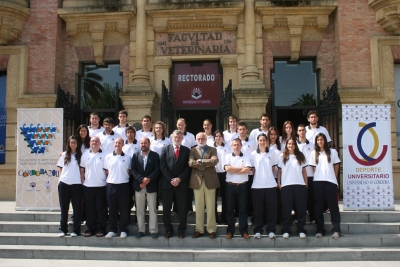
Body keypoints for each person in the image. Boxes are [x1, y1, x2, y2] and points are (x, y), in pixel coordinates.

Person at [309, 133, 341, 239]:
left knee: (333, 207)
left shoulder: (332, 152)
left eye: (321, 139)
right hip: (318, 182)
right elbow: (314, 168)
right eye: (318, 140)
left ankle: (336, 229)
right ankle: (320, 229)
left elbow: (336, 165)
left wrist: (333, 177)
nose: (320, 142)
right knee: (318, 207)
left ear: (325, 140)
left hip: (330, 182)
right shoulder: (314, 153)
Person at [160, 130, 191, 239]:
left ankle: (181, 230)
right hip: (167, 184)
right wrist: (171, 179)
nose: (177, 139)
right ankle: (168, 229)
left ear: (182, 138)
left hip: (181, 184)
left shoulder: (187, 151)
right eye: (175, 137)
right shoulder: (165, 149)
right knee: (166, 208)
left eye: (179, 137)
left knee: (182, 208)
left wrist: (179, 179)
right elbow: (162, 166)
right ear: (172, 138)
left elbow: (188, 168)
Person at [189, 132, 219, 239]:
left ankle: (211, 229)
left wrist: (201, 161)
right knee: (199, 206)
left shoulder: (212, 149)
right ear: (196, 140)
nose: (200, 140)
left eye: (202, 138)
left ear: (206, 139)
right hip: (197, 181)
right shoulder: (193, 150)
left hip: (210, 180)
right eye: (199, 139)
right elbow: (191, 163)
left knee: (211, 206)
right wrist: (206, 164)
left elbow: (215, 161)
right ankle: (199, 230)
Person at [277, 138, 308, 239]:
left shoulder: (300, 156)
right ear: (286, 145)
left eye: (293, 144)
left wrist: (306, 183)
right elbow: (279, 171)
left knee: (301, 209)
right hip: (286, 186)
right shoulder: (282, 157)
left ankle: (301, 230)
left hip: (300, 185)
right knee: (286, 209)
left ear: (295, 145)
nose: (291, 145)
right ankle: (286, 230)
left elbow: (304, 171)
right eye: (289, 144)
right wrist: (279, 182)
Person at [131, 137, 160, 239]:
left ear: (149, 144)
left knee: (152, 209)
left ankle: (153, 230)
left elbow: (157, 170)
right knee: (139, 210)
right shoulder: (135, 156)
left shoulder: (155, 156)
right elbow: (133, 170)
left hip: (151, 186)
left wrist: (148, 180)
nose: (143, 145)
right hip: (139, 186)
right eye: (142, 143)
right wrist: (141, 180)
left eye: (145, 143)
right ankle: (141, 230)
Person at [251, 133, 278, 239]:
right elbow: (253, 169)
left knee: (271, 209)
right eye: (260, 140)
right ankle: (258, 230)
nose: (262, 142)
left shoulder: (272, 153)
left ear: (267, 141)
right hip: (257, 186)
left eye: (264, 140)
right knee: (258, 210)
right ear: (257, 141)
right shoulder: (253, 154)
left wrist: (267, 177)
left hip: (270, 185)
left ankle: (271, 230)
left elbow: (273, 168)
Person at [80, 136, 107, 237]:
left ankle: (101, 229)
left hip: (102, 186)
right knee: (90, 209)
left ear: (100, 143)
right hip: (88, 186)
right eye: (92, 141)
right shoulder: (85, 155)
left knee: (101, 209)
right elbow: (82, 169)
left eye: (96, 141)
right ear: (89, 143)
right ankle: (90, 228)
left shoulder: (105, 155)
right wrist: (83, 181)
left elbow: (107, 170)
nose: (94, 143)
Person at [104, 138, 131, 239]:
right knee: (112, 208)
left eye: (120, 143)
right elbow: (107, 171)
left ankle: (123, 229)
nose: (118, 144)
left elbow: (130, 171)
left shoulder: (128, 158)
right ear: (113, 144)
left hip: (124, 185)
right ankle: (112, 229)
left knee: (124, 208)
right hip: (111, 185)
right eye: (116, 143)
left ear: (123, 144)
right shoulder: (108, 157)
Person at [224, 138, 252, 239]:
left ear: (241, 146)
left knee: (243, 210)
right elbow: (227, 169)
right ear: (231, 146)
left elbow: (247, 170)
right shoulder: (227, 156)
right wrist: (241, 168)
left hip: (243, 186)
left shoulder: (247, 156)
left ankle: (243, 231)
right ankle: (230, 231)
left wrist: (233, 169)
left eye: (237, 145)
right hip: (230, 186)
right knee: (230, 210)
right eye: (234, 145)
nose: (236, 147)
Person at [57, 135, 83, 237]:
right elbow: (61, 169)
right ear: (68, 143)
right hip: (64, 184)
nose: (73, 144)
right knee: (64, 208)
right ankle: (63, 229)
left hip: (76, 184)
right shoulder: (63, 155)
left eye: (75, 143)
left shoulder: (81, 155)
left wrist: (82, 182)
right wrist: (62, 179)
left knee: (77, 209)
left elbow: (82, 170)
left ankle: (76, 230)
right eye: (71, 142)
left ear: (77, 144)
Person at [169, 118, 196, 215]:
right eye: (178, 124)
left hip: (187, 165)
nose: (180, 126)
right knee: (175, 189)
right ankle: (175, 208)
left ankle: (188, 208)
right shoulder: (172, 135)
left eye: (182, 124)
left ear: (185, 125)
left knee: (188, 189)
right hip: (176, 165)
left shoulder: (191, 136)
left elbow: (194, 150)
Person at [237, 121, 257, 226]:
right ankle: (238, 217)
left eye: (243, 129)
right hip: (237, 175)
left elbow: (255, 158)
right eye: (240, 129)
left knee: (248, 197)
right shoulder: (234, 142)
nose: (242, 131)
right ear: (237, 130)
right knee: (238, 197)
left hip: (249, 174)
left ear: (247, 130)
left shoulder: (253, 142)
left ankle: (249, 217)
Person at [297, 124, 316, 225]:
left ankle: (312, 217)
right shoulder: (295, 145)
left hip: (310, 174)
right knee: (299, 198)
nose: (302, 132)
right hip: (298, 175)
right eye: (300, 130)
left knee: (311, 197)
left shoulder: (312, 144)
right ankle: (298, 218)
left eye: (303, 130)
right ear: (297, 132)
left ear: (305, 131)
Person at [213, 130, 231, 225]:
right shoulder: (211, 147)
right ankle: (215, 219)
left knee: (225, 197)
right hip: (214, 174)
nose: (218, 138)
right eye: (216, 136)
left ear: (222, 137)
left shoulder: (227, 147)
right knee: (214, 197)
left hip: (225, 174)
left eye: (220, 136)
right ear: (214, 138)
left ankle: (224, 219)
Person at [268, 126, 283, 224]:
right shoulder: (265, 146)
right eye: (271, 134)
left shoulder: (282, 146)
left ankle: (279, 219)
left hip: (279, 175)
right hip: (268, 177)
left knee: (279, 200)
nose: (273, 136)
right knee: (270, 200)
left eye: (275, 134)